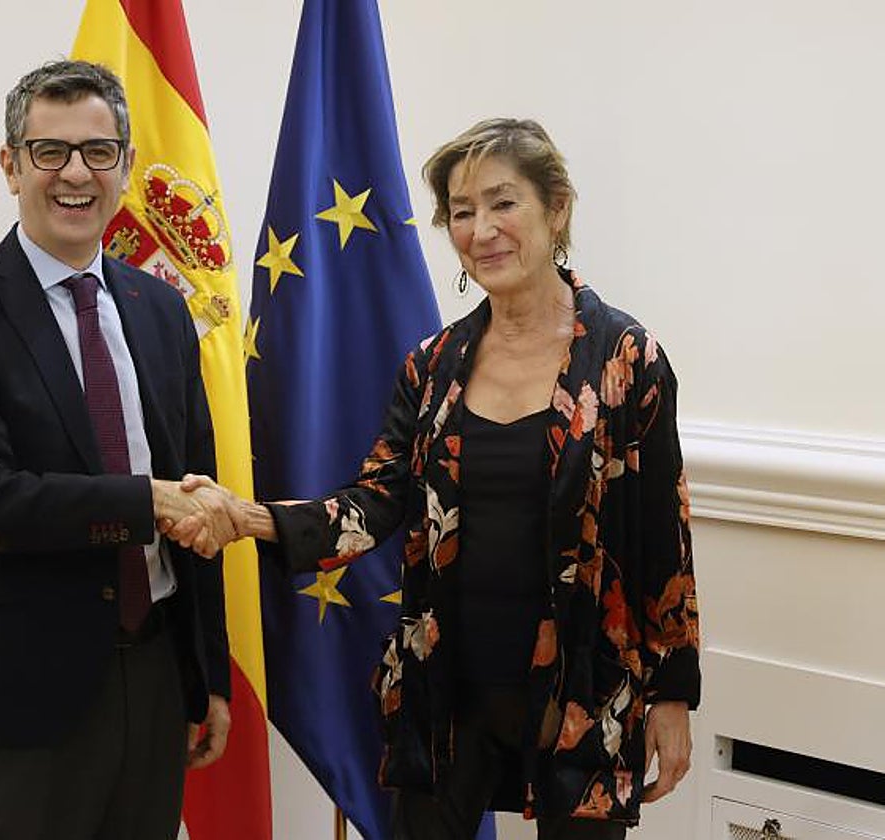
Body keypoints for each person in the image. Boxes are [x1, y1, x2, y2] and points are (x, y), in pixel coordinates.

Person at [167, 118, 700, 839]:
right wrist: (247, 516)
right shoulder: (433, 364)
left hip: (581, 690)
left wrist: (673, 695)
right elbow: (376, 501)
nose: (482, 230)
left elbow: (664, 541)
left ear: (556, 208)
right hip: (446, 689)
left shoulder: (627, 359)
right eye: (462, 211)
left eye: (503, 203)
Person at [0, 60, 236, 840]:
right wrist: (144, 502)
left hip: (154, 676)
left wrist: (208, 674)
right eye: (49, 151)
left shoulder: (162, 310)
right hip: (19, 690)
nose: (76, 174)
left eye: (98, 151)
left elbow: (197, 494)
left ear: (125, 164)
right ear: (11, 165)